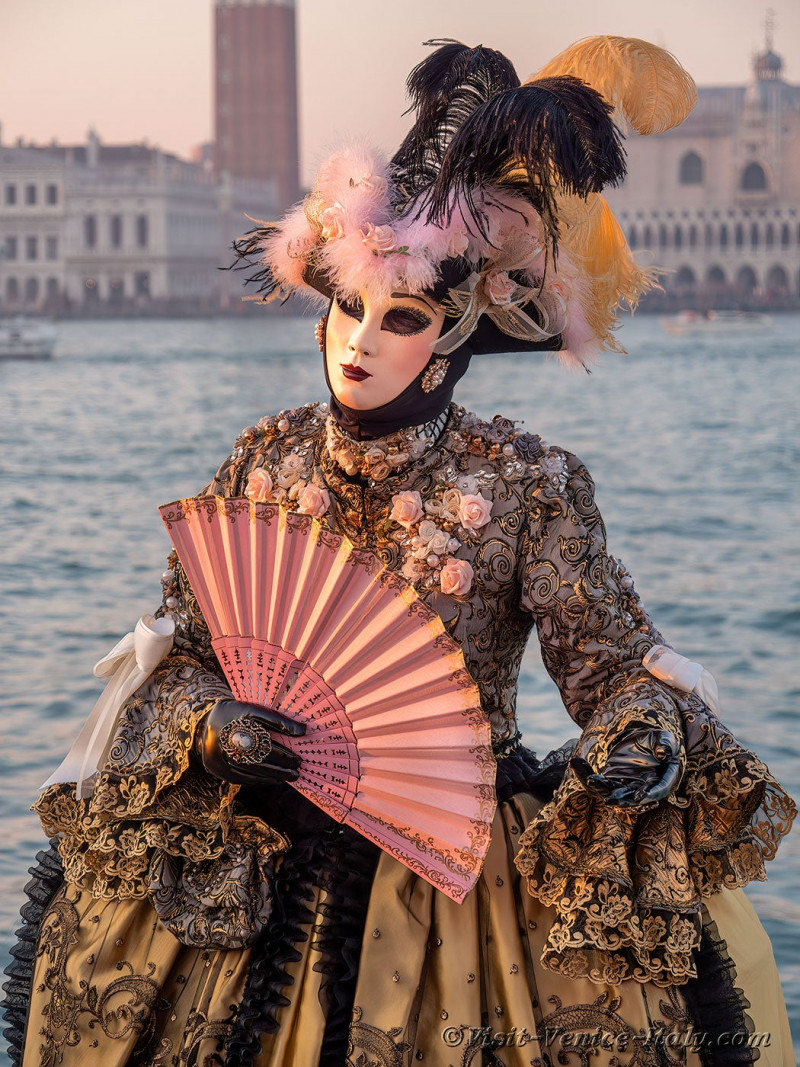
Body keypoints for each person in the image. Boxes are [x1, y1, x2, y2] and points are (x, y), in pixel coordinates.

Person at [4, 37, 796, 1067]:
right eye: (346, 302)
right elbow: (184, 655)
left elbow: (609, 667)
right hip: (261, 849)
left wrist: (640, 737)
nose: (359, 339)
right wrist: (210, 728)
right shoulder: (261, 461)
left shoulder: (526, 483)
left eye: (402, 314)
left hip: (458, 871)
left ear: (456, 329)